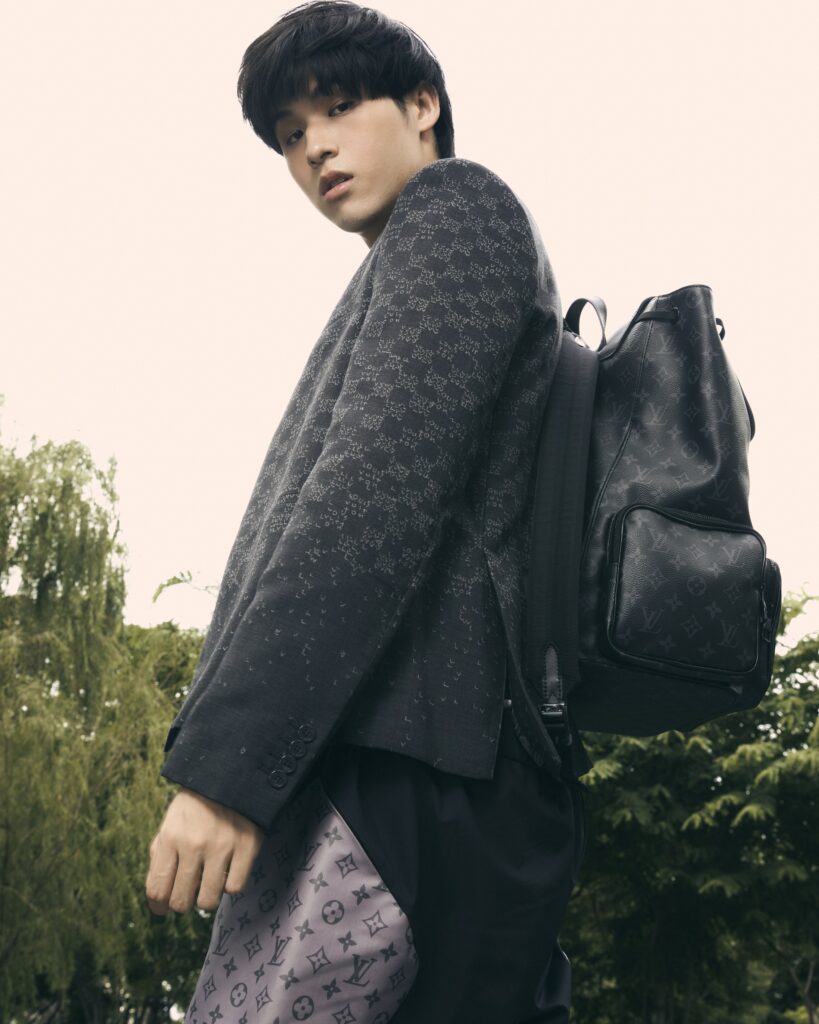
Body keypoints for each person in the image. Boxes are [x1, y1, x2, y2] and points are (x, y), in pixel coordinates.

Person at [144, 2, 594, 1021]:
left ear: (423, 105)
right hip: (415, 770)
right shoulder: (405, 260)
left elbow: (366, 506)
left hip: (406, 772)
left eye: (339, 107)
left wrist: (225, 774)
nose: (314, 149)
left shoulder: (457, 208)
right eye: (289, 135)